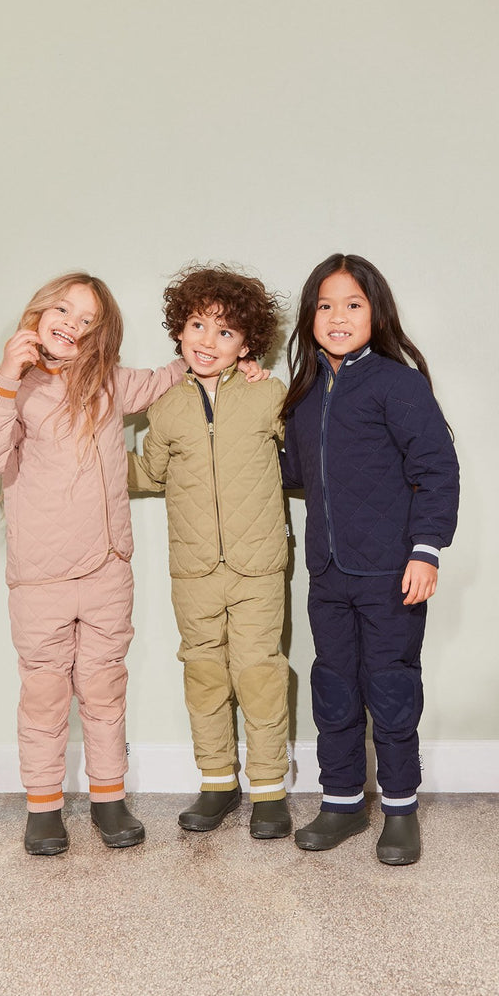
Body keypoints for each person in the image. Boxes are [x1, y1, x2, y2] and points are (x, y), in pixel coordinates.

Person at [0, 272, 266, 856]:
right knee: (44, 695)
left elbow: (171, 376)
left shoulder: (108, 384)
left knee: (104, 690)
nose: (71, 324)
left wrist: (237, 367)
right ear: (39, 313)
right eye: (63, 310)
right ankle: (44, 807)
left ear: (99, 335)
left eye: (87, 320)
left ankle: (108, 797)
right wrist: (5, 376)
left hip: (106, 570)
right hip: (40, 577)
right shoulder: (14, 389)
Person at [280, 253, 460, 864]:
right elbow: (295, 472)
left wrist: (426, 552)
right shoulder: (305, 394)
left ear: (375, 313)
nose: (338, 316)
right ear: (310, 317)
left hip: (391, 572)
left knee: (391, 687)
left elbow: (437, 471)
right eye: (325, 305)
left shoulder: (398, 385)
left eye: (352, 304)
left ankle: (401, 810)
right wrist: (252, 397)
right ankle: (342, 803)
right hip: (328, 572)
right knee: (333, 686)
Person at [127, 264, 293, 839]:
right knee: (203, 674)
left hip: (258, 564)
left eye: (225, 332)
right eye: (197, 325)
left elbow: (302, 458)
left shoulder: (267, 394)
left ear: (246, 345)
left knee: (259, 673)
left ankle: (269, 789)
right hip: (194, 567)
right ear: (179, 329)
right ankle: (217, 781)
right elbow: (151, 473)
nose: (207, 340)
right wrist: (93, 450)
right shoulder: (166, 404)